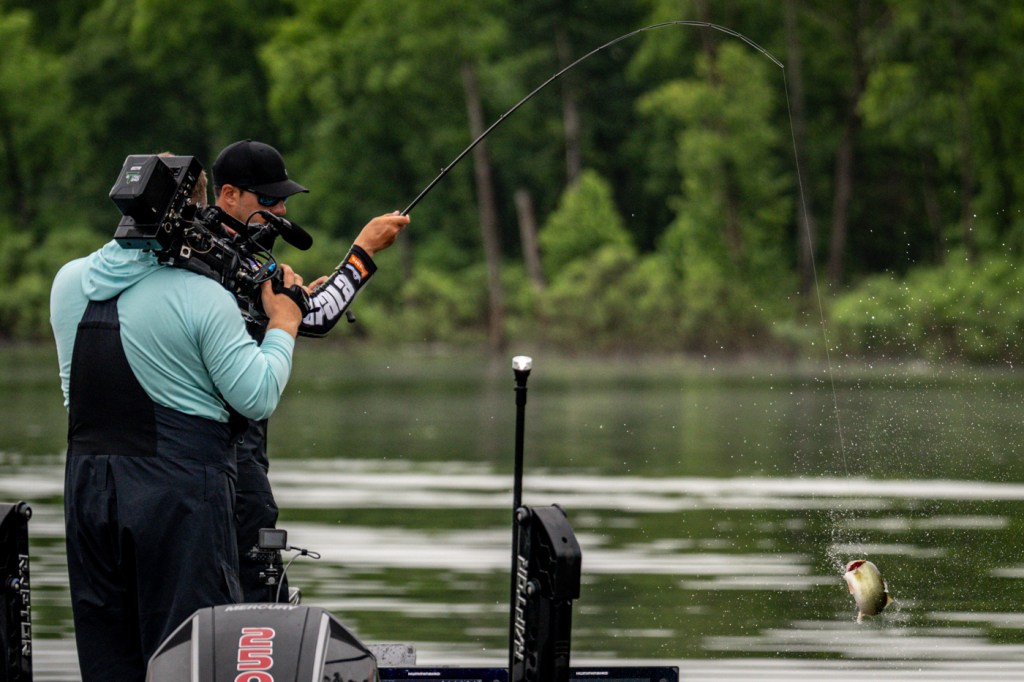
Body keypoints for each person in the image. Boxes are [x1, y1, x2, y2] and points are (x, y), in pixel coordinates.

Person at [49, 155, 307, 682]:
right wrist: (284, 324)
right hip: (181, 493)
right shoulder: (202, 297)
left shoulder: (68, 282)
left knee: (108, 656)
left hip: (89, 488)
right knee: (192, 655)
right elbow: (257, 396)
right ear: (192, 215)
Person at [209, 139, 409, 601]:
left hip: (205, 460)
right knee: (256, 588)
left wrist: (296, 303)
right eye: (269, 200)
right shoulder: (230, 258)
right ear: (229, 195)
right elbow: (315, 319)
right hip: (232, 457)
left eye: (284, 200)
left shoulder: (229, 253)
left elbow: (296, 312)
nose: (281, 210)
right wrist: (363, 250)